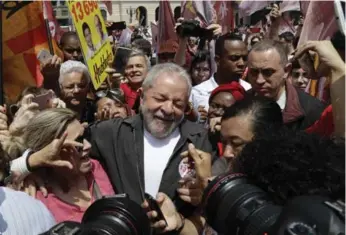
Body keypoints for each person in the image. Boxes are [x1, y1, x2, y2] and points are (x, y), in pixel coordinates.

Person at [89, 63, 216, 227]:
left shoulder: (201, 140)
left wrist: (203, 196)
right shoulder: (110, 133)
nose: (168, 109)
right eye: (160, 99)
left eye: (178, 104)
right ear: (141, 96)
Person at [18, 109, 114, 223]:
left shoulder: (94, 167)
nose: (88, 145)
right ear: (49, 152)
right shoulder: (36, 195)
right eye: (77, 142)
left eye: (86, 136)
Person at [247, 39, 327, 130]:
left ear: (286, 71)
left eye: (268, 72)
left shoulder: (312, 111)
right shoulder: (240, 102)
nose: (259, 80)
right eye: (253, 72)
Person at [190, 32, 252, 122]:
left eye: (245, 58)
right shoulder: (196, 93)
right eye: (234, 58)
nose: (241, 63)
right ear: (218, 60)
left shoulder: (249, 91)